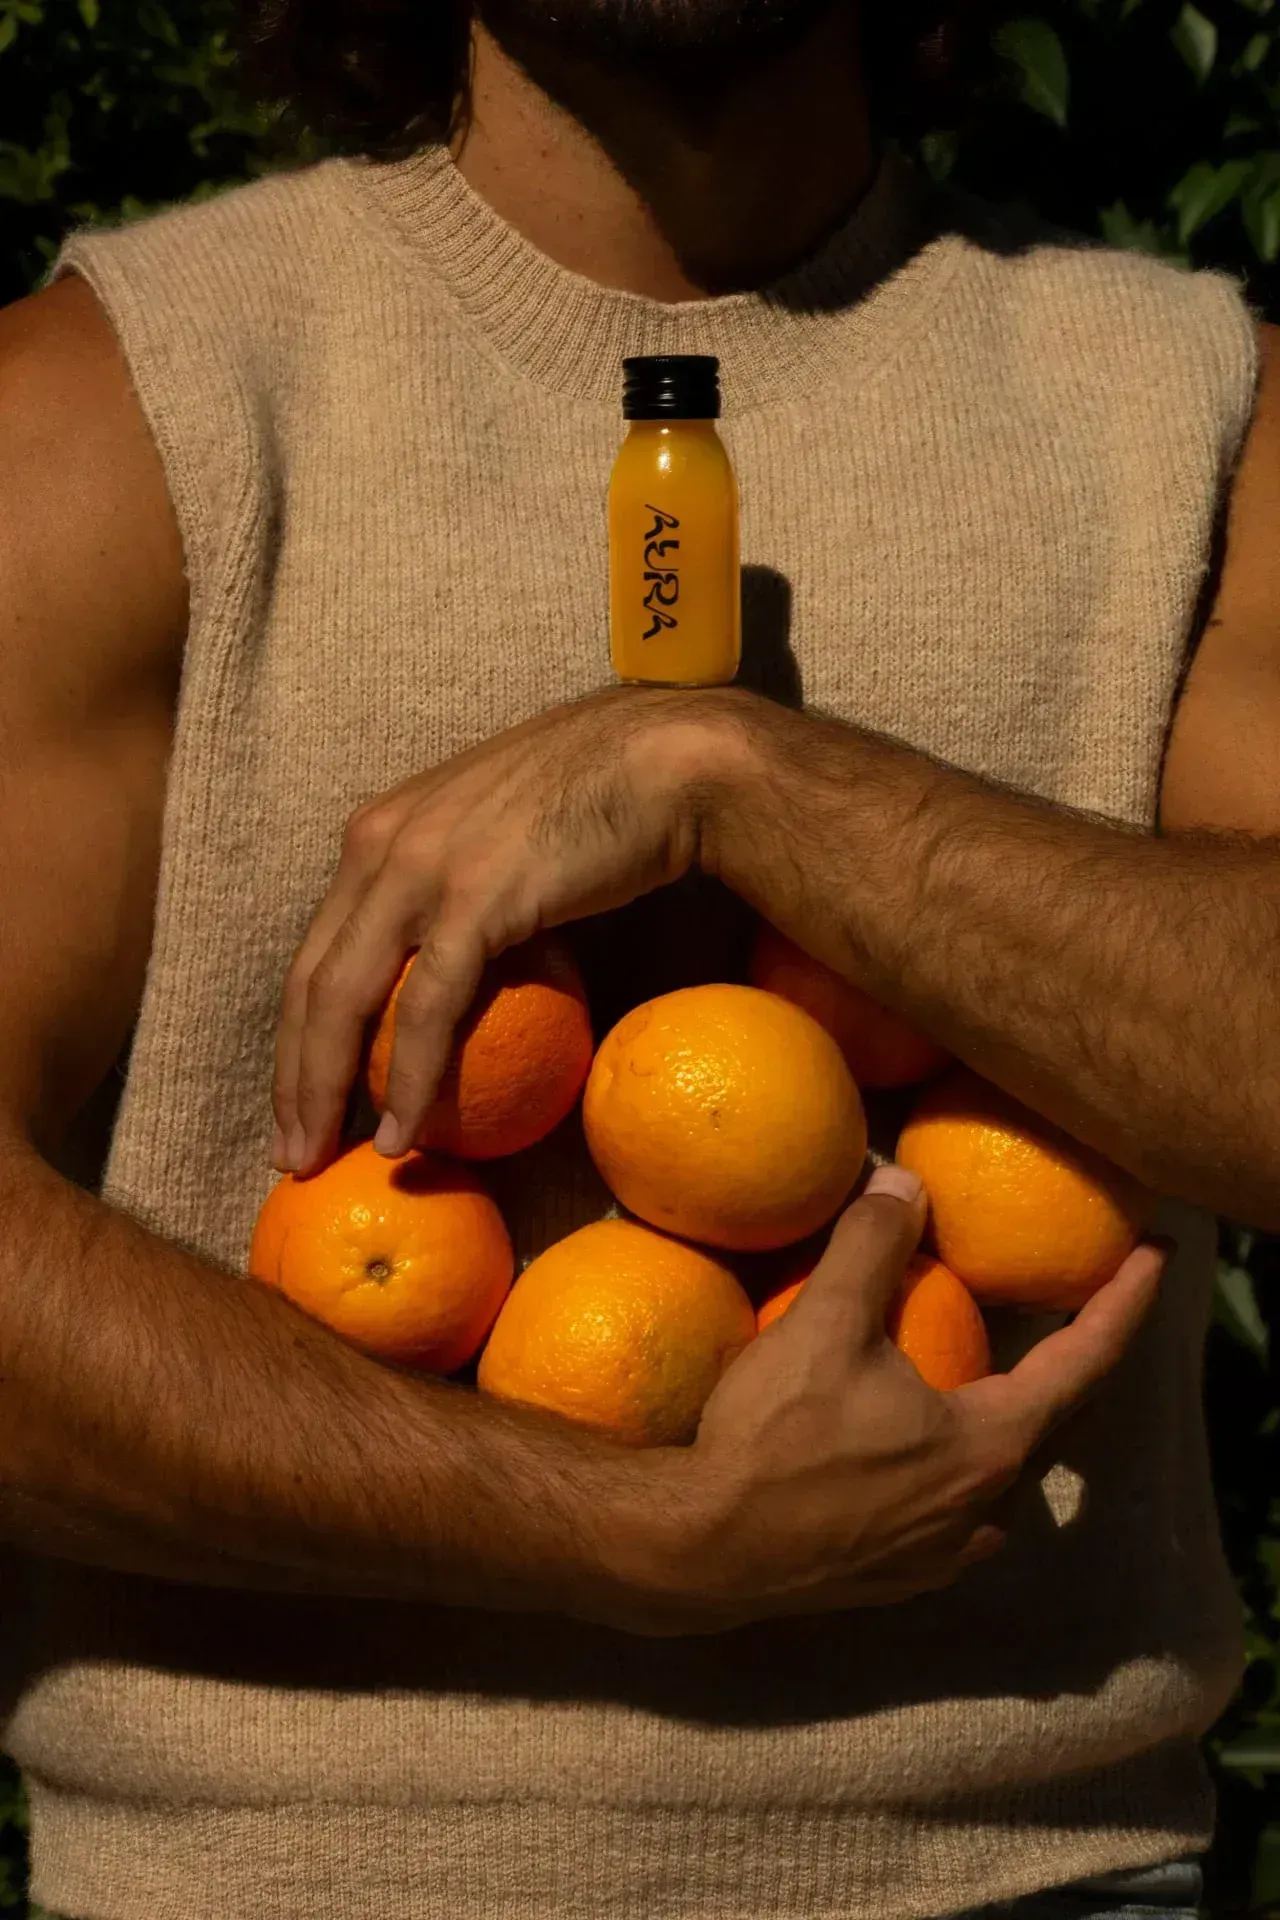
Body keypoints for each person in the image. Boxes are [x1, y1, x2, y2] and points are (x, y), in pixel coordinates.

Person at [0, 0, 1274, 1912]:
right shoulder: (116, 404)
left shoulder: (1194, 416)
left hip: (1041, 1874)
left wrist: (739, 776)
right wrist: (625, 1533)